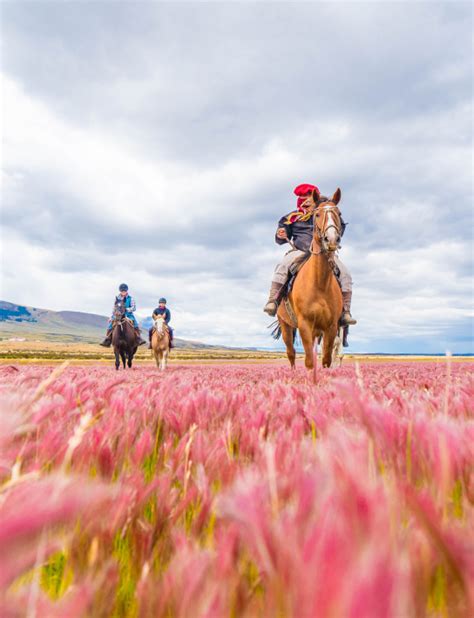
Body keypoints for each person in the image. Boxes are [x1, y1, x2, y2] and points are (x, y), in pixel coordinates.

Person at [263, 183, 357, 327]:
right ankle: (273, 301)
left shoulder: (326, 211)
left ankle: (345, 311)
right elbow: (281, 237)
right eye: (302, 197)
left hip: (324, 253)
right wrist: (281, 234)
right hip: (299, 251)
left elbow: (339, 228)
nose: (305, 200)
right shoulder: (291, 217)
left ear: (315, 198)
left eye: (308, 196)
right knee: (283, 266)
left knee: (345, 274)